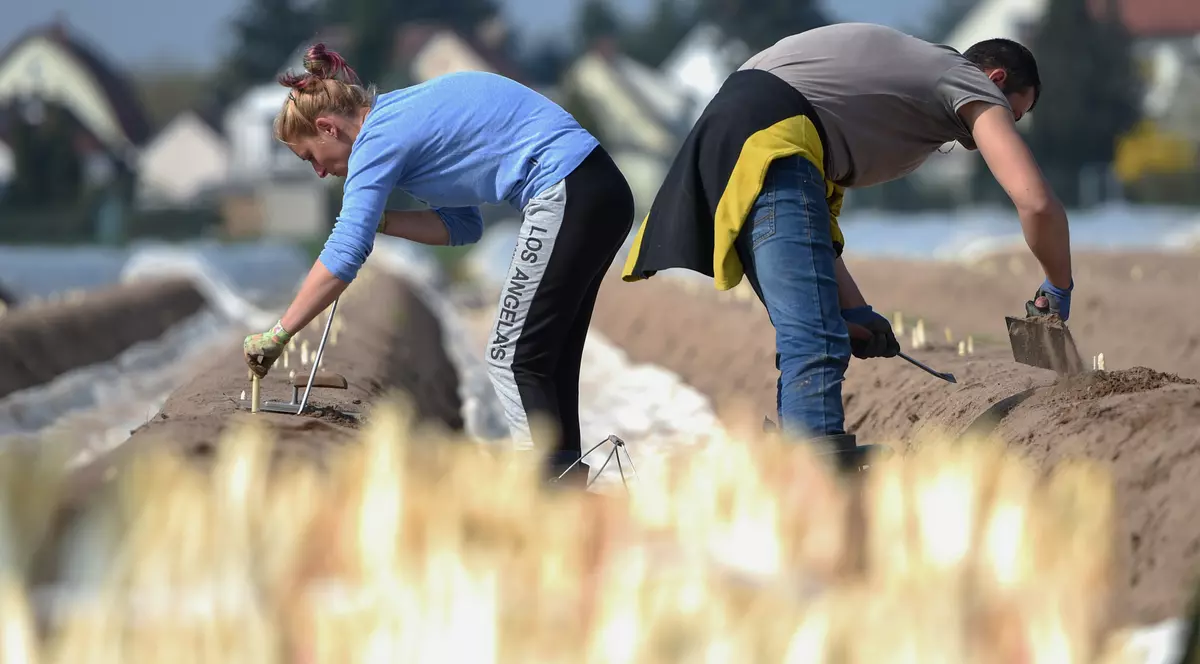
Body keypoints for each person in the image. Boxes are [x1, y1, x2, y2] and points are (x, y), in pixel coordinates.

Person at [621, 23, 1073, 464]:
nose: (1008, 123)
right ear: (995, 81)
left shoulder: (910, 76)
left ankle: (802, 455)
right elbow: (1035, 203)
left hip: (739, 137)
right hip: (773, 140)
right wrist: (1057, 286)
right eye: (1014, 113)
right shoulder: (963, 80)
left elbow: (808, 217)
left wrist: (854, 309)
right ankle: (817, 476)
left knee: (813, 326)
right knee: (815, 337)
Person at [242, 44, 636, 487]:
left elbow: (345, 252)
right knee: (546, 355)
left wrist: (279, 334)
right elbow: (462, 226)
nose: (318, 172)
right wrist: (383, 220)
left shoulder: (378, 139)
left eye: (310, 157)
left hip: (565, 188)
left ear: (328, 128)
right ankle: (565, 489)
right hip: (600, 187)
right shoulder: (405, 119)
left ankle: (548, 498)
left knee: (511, 356)